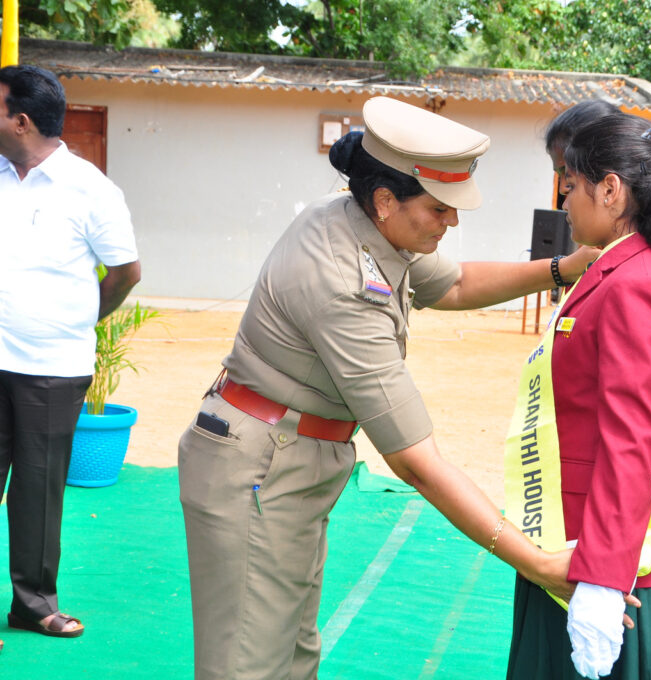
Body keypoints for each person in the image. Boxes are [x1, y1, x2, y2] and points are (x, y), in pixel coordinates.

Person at [177, 96, 603, 680]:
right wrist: (535, 563)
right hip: (260, 469)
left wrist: (564, 266)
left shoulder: (362, 222)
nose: (452, 221)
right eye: (439, 209)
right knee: (248, 665)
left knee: (293, 654)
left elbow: (453, 285)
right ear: (385, 200)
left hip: (289, 460)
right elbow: (415, 462)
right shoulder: (342, 281)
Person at [504, 115, 651, 680]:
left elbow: (632, 441)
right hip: (580, 537)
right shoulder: (617, 270)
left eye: (570, 186)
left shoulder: (637, 283)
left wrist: (602, 577)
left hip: (611, 561)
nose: (564, 201)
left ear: (610, 189)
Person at [0, 65, 141, 639]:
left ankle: (33, 605)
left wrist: (79, 322)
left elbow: (126, 272)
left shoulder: (91, 189)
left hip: (52, 369)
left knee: (37, 490)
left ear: (21, 120)